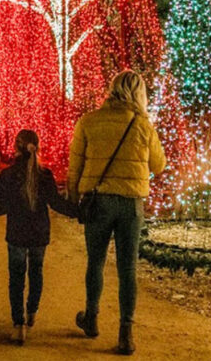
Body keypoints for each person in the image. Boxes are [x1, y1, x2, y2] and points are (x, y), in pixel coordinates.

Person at [67, 70, 166, 356]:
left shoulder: (89, 121)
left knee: (95, 262)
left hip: (98, 201)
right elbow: (158, 165)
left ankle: (92, 318)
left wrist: (74, 198)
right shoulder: (143, 125)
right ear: (139, 94)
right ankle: (126, 333)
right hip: (132, 203)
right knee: (127, 269)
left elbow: (75, 165)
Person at [0, 129, 59, 345]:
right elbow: (56, 203)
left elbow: (1, 207)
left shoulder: (8, 175)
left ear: (15, 148)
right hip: (39, 233)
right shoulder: (45, 175)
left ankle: (18, 323)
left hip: (16, 233)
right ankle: (32, 311)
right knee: (36, 272)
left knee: (16, 277)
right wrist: (80, 211)